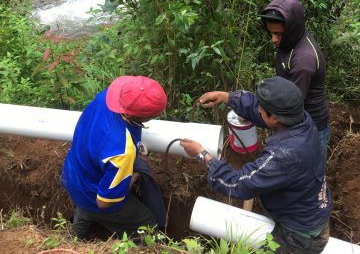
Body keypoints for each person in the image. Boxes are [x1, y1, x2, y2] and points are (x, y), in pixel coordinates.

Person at [180, 77, 331, 254]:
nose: (258, 110)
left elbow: (239, 184)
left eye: (262, 109)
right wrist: (227, 97)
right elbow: (259, 109)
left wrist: (202, 154)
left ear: (275, 118)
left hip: (300, 236)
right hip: (308, 210)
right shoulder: (302, 120)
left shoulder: (284, 155)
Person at [61, 75, 167, 240]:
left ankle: (77, 233)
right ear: (144, 118)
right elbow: (104, 202)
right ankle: (87, 221)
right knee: (149, 227)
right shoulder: (122, 150)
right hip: (94, 196)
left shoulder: (106, 97)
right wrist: (136, 174)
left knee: (83, 212)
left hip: (73, 174)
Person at [260, 0, 330, 157]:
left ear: (292, 29)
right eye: (270, 33)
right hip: (296, 120)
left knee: (311, 177)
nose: (273, 39)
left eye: (278, 34)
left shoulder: (304, 60)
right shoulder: (291, 39)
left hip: (310, 128)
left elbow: (290, 103)